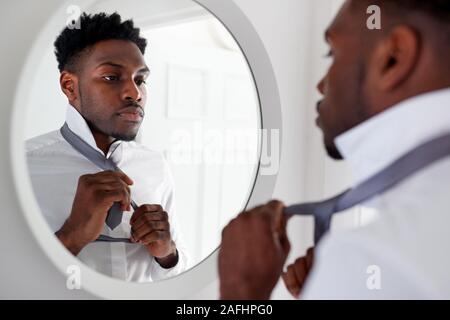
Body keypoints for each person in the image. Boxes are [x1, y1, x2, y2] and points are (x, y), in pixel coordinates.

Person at [219, 0, 450, 299]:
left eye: (332, 53)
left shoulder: (375, 255)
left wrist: (241, 291)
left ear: (394, 57)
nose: (320, 85)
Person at [26, 12, 188, 282]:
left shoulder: (155, 165)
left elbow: (178, 274)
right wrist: (72, 235)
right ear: (70, 86)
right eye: (112, 77)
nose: (135, 93)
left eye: (140, 80)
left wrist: (168, 253)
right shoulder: (19, 168)